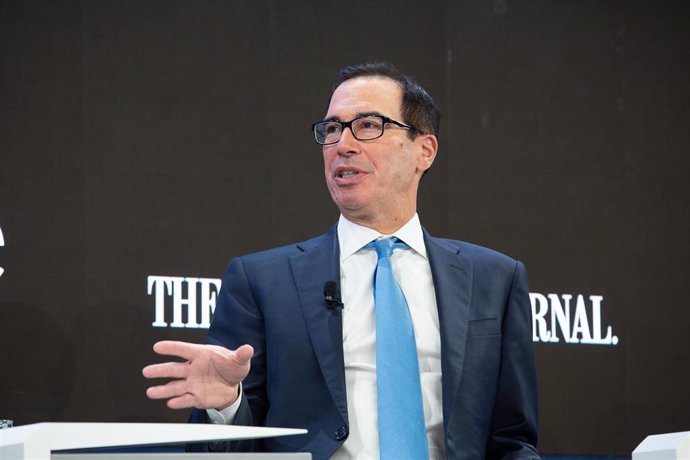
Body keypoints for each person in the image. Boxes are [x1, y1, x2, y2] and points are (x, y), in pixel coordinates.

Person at [143, 62, 540, 459]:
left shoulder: (494, 279)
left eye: (368, 125)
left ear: (424, 151)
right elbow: (229, 448)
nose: (343, 144)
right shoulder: (262, 281)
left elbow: (513, 440)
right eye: (332, 129)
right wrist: (225, 404)